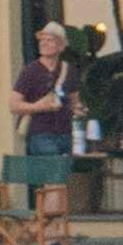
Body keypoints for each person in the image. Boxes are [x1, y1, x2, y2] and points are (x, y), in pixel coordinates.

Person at [10, 22, 78, 161]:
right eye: (42, 40)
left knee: (63, 176)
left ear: (61, 46)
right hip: (40, 133)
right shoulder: (30, 71)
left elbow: (74, 102)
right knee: (52, 173)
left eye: (50, 40)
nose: (44, 43)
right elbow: (14, 105)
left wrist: (79, 110)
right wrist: (39, 107)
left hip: (66, 133)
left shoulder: (69, 70)